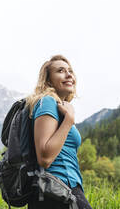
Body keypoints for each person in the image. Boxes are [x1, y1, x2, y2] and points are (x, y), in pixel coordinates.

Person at [26, 55, 92, 209]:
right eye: (60, 71)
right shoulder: (47, 102)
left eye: (70, 71)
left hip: (59, 190)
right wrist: (69, 119)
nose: (69, 75)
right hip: (56, 189)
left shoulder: (58, 106)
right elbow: (45, 158)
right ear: (48, 80)